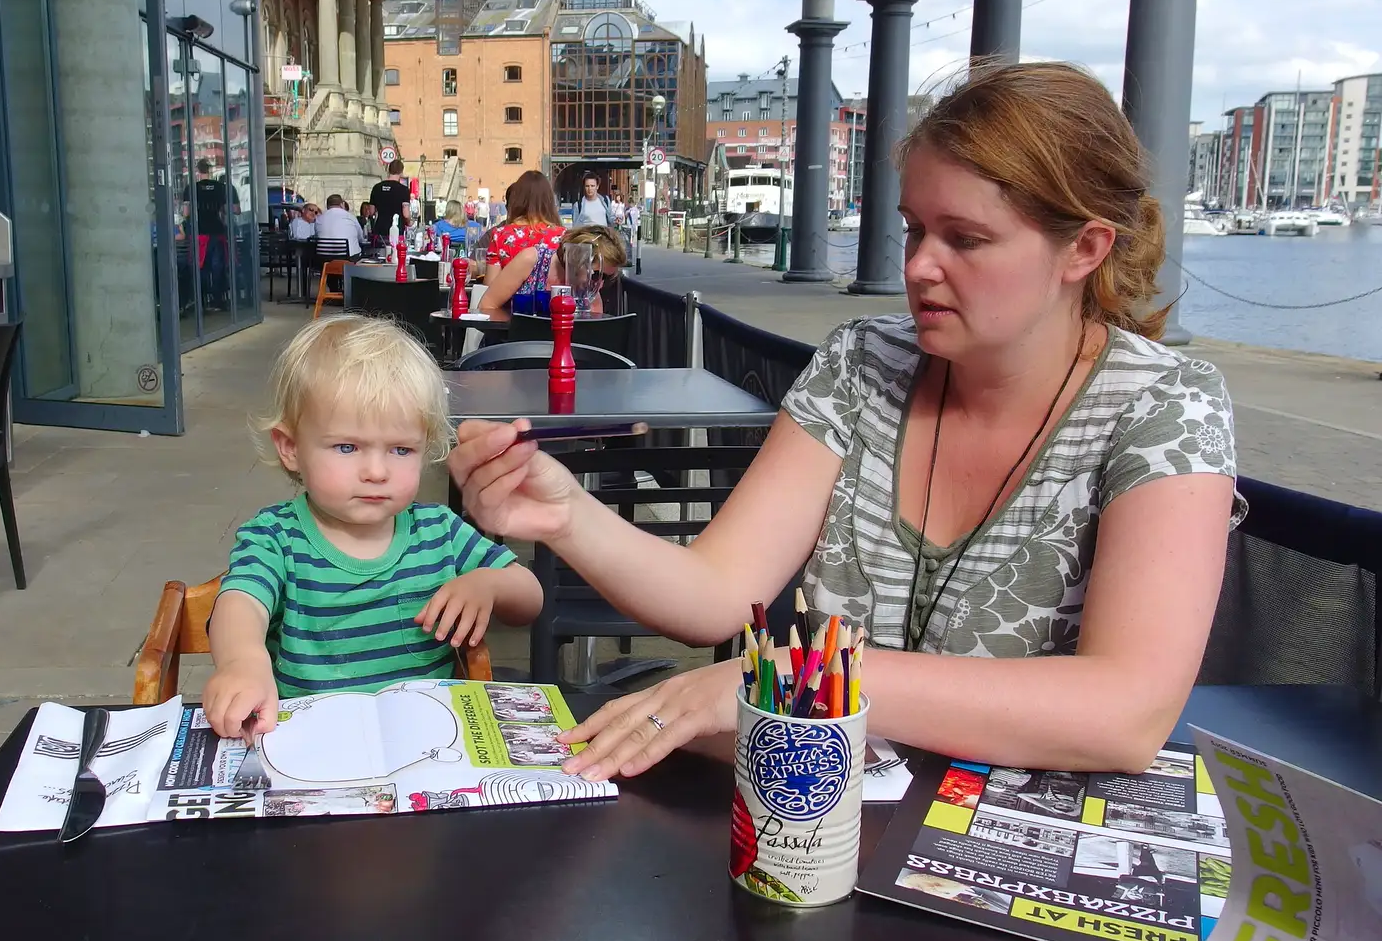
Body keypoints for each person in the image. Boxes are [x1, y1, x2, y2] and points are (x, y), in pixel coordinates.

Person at [448, 61, 1243, 779]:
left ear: (1086, 249)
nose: (920, 265)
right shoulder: (862, 362)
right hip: (829, 828)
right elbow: (718, 591)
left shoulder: (1166, 406)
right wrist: (564, 512)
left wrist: (784, 678)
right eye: (915, 229)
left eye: (966, 239)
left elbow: (1126, 713)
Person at [202, 315, 544, 737]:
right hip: (310, 742)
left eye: (401, 449)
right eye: (347, 447)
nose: (377, 471)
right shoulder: (275, 537)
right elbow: (240, 603)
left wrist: (490, 584)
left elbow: (530, 597)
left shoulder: (438, 530)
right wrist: (242, 663)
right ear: (291, 448)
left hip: (428, 744)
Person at [478, 224, 628, 317]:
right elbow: (486, 306)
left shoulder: (589, 292)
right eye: (595, 275)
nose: (600, 284)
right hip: (513, 352)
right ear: (578, 256)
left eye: (606, 278)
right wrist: (521, 327)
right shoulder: (531, 259)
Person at [485, 170, 566, 283]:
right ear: (549, 200)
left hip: (510, 300)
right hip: (550, 300)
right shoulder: (563, 236)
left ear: (516, 199)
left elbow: (490, 287)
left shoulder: (499, 236)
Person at [193, 158, 230, 309]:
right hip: (217, 231)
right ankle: (218, 299)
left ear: (197, 171)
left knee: (201, 267)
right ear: (209, 170)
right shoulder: (220, 187)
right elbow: (226, 211)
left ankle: (202, 300)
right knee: (218, 266)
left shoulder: (193, 188)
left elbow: (187, 212)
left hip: (200, 233)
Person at [313, 193, 364, 271]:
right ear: (342, 204)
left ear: (327, 206)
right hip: (347, 257)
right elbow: (360, 236)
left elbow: (317, 235)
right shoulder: (350, 216)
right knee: (358, 252)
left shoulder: (319, 218)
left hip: (323, 258)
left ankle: (331, 281)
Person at [369, 159, 412, 241]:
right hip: (397, 231)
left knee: (380, 253)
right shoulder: (403, 190)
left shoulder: (377, 187)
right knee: (395, 253)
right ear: (401, 172)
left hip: (379, 230)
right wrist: (409, 222)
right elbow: (406, 214)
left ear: (389, 170)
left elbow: (371, 211)